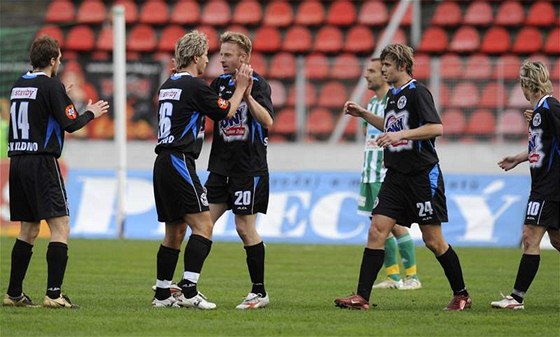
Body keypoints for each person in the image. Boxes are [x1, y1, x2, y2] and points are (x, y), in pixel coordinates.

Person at [334, 44, 471, 311]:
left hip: (422, 176)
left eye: (387, 64)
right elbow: (392, 125)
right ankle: (362, 297)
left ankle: (461, 294)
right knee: (377, 230)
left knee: (433, 240)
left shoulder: (418, 92)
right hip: (395, 177)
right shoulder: (394, 96)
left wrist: (400, 135)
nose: (383, 69)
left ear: (402, 65)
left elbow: (436, 127)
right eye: (382, 64)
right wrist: (363, 114)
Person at [3, 36, 109, 308]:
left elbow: (41, 109)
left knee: (27, 229)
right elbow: (71, 124)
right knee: (60, 226)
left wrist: (60, 93)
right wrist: (91, 112)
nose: (60, 61)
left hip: (17, 162)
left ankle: (13, 293)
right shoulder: (51, 86)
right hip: (42, 161)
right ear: (52, 60)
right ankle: (53, 294)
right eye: (59, 58)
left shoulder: (19, 85)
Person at [151, 30, 252, 309]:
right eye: (206, 54)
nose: (209, 60)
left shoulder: (168, 84)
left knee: (174, 232)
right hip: (180, 160)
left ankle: (162, 294)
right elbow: (227, 111)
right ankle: (189, 290)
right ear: (196, 57)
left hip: (162, 162)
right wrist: (241, 87)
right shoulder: (195, 86)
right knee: (204, 225)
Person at [205, 31, 274, 309]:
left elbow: (268, 119)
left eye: (228, 54)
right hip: (221, 168)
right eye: (221, 54)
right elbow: (208, 111)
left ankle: (259, 291)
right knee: (202, 224)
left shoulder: (258, 84)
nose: (221, 59)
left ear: (243, 57)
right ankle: (187, 285)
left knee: (244, 228)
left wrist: (246, 96)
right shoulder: (218, 83)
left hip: (249, 169)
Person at [345, 58, 421, 291]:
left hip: (383, 173)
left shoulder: (393, 101)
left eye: (372, 71)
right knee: (377, 226)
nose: (366, 75)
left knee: (394, 225)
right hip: (369, 173)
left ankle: (412, 277)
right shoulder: (372, 104)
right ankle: (393, 277)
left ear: (384, 74)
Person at [491, 61, 560, 310]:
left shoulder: (550, 107)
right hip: (546, 185)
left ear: (526, 84)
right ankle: (516, 298)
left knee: (530, 237)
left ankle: (516, 298)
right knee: (556, 241)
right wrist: (518, 159)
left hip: (548, 187)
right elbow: (543, 146)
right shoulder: (541, 110)